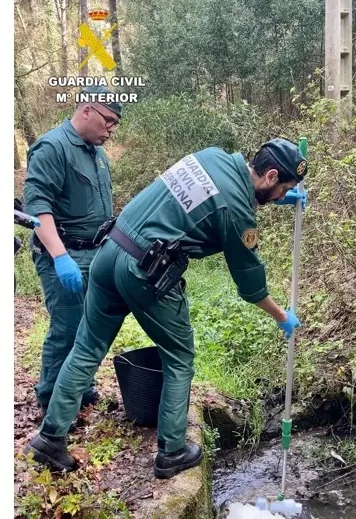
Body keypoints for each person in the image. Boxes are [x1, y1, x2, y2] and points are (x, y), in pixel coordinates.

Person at [25, 138, 309, 479]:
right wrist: (282, 317)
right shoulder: (238, 212)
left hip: (109, 252)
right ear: (271, 175)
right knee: (179, 357)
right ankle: (172, 452)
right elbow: (250, 287)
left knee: (86, 348)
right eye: (283, 189)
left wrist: (276, 199)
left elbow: (205, 199)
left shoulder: (211, 154)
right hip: (143, 271)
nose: (281, 196)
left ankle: (50, 438)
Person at [23, 85, 124, 416]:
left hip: (95, 253)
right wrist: (60, 256)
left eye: (115, 125)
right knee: (67, 327)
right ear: (86, 110)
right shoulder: (52, 147)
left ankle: (79, 386)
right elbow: (39, 207)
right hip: (62, 255)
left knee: (91, 325)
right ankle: (51, 397)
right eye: (108, 121)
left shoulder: (96, 153)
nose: (110, 130)